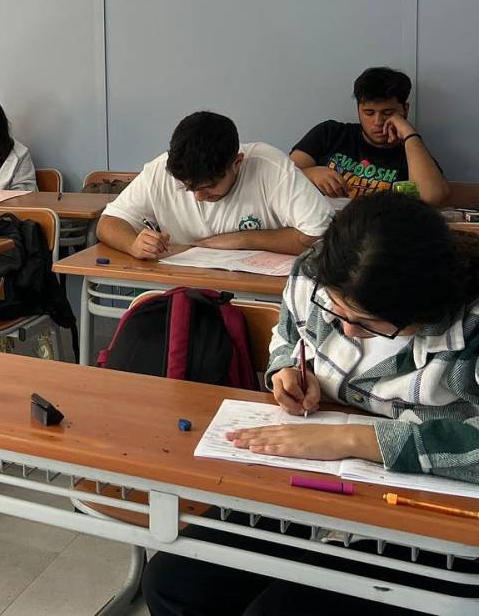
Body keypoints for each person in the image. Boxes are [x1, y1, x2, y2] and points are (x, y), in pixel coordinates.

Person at [143, 192, 479, 616]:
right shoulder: (315, 272)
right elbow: (289, 336)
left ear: (423, 308)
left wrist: (356, 440)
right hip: (316, 483)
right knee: (172, 583)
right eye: (336, 310)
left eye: (370, 324)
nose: (347, 331)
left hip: (428, 508)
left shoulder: (470, 325)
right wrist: (286, 371)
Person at [98, 111, 334, 259]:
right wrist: (133, 244)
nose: (198, 197)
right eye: (188, 188)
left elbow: (321, 237)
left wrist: (243, 240)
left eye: (208, 186)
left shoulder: (270, 167)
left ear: (237, 163)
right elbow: (108, 223)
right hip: (184, 286)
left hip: (256, 293)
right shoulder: (161, 170)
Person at [291, 66, 449, 205]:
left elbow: (431, 196)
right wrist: (310, 173)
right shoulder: (331, 133)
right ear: (358, 109)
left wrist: (409, 133)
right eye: (369, 113)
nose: (378, 122)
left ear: (405, 110)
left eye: (388, 113)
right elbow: (284, 175)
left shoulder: (412, 152)